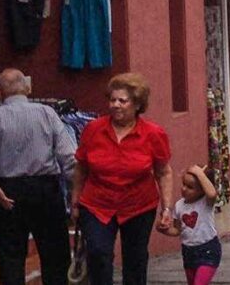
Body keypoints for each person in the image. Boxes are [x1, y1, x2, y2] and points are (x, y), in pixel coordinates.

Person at [0, 69, 77, 285]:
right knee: (55, 256)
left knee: (10, 258)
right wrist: (75, 191)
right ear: (27, 89)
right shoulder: (47, 113)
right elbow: (69, 156)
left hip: (7, 190)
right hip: (45, 189)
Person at [72, 73, 174, 285]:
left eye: (122, 101)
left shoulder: (153, 133)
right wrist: (75, 203)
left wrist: (166, 209)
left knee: (135, 259)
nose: (115, 105)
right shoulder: (93, 129)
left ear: (137, 105)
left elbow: (163, 172)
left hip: (138, 206)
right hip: (97, 204)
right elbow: (81, 168)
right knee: (98, 253)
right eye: (112, 100)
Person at [158, 165, 221, 285]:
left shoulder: (206, 203)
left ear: (202, 190)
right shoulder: (179, 206)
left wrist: (200, 174)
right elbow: (177, 230)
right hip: (189, 253)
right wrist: (162, 229)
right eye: (184, 184)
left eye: (190, 187)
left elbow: (212, 194)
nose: (184, 189)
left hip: (208, 250)